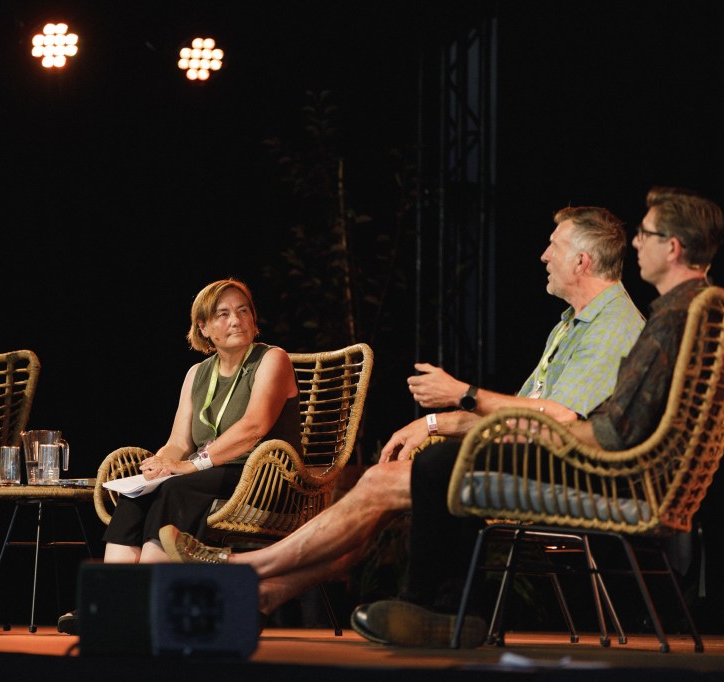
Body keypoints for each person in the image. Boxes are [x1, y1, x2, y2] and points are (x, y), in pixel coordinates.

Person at [158, 205, 646, 637]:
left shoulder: (611, 326)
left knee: (381, 483)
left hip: (568, 475)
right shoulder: (570, 325)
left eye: (554, 246)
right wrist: (433, 424)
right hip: (523, 459)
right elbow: (516, 419)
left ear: (582, 261)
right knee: (384, 490)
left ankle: (245, 566)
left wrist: (463, 396)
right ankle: (265, 594)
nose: (543, 255)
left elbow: (556, 420)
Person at [350, 185, 724, 647]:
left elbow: (614, 432)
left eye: (646, 234)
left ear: (673, 248)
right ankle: (451, 612)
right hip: (619, 463)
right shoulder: (701, 311)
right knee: (455, 458)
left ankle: (435, 609)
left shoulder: (670, 320)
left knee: (439, 465)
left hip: (607, 472)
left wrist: (528, 422)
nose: (635, 243)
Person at [58, 278, 302, 634]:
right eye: (223, 314)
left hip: (263, 478)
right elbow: (178, 441)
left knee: (176, 489)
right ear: (203, 328)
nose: (236, 320)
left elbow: (254, 427)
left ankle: (145, 604)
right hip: (209, 473)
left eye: (243, 311)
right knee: (139, 493)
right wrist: (160, 465)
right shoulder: (197, 374)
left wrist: (189, 465)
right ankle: (109, 601)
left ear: (253, 318)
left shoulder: (271, 359)